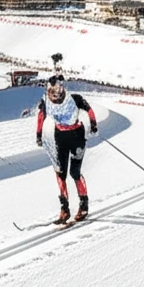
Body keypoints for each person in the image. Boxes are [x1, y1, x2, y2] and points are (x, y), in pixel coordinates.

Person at [36, 75, 97, 223]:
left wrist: (93, 125)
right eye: (52, 90)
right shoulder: (46, 102)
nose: (55, 93)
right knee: (60, 173)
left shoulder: (74, 98)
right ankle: (64, 209)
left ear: (62, 88)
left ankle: (83, 205)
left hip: (77, 136)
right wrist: (39, 134)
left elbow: (88, 109)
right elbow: (41, 116)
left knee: (74, 172)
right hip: (60, 137)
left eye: (58, 89)